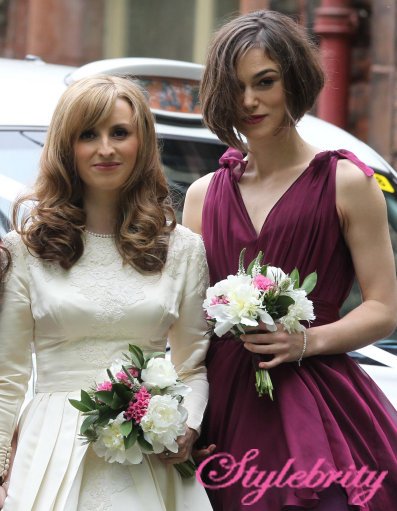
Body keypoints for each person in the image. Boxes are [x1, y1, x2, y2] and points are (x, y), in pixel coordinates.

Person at [183, 10, 397, 511]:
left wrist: (306, 340)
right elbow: (186, 324)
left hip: (318, 398)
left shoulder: (347, 182)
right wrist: (183, 416)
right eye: (235, 87)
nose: (250, 101)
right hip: (223, 409)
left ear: (295, 81)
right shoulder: (201, 196)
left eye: (266, 82)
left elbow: (384, 307)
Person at [0, 75, 213, 510]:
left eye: (119, 132)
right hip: (51, 451)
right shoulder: (24, 250)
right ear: (66, 146)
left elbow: (192, 368)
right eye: (88, 135)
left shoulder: (184, 249)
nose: (105, 148)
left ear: (142, 142)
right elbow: (8, 379)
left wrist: (186, 424)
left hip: (150, 456)